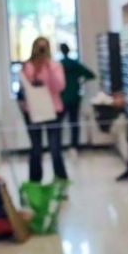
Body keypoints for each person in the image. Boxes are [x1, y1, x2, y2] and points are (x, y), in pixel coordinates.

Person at [18, 37, 68, 183]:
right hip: (33, 111)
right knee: (36, 148)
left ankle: (61, 179)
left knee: (55, 147)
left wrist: (48, 68)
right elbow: (24, 88)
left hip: (53, 110)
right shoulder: (27, 67)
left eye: (44, 47)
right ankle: (35, 182)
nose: (41, 51)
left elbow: (59, 87)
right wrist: (34, 71)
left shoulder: (55, 66)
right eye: (39, 47)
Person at [59, 42, 96, 150]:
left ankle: (57, 145)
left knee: (58, 124)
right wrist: (81, 81)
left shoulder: (59, 65)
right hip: (75, 97)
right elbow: (91, 75)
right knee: (74, 122)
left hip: (62, 98)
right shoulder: (75, 64)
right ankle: (74, 146)